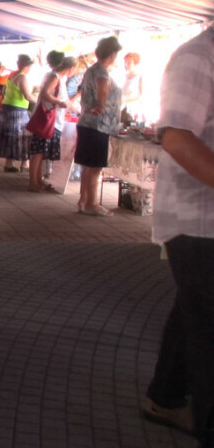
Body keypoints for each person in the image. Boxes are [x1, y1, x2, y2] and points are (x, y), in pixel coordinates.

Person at [143, 24, 214, 447]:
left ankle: (165, 397)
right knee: (209, 324)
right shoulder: (198, 56)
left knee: (195, 309)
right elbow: (176, 137)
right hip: (197, 219)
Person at [75, 36, 123, 216]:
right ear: (112, 54)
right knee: (95, 167)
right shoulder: (102, 72)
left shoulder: (91, 70)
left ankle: (84, 200)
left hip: (87, 123)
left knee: (88, 165)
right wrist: (101, 105)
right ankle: (92, 204)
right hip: (99, 124)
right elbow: (103, 88)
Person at [28, 51, 70, 192]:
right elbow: (45, 93)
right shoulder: (54, 76)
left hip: (51, 119)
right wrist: (59, 102)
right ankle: (33, 181)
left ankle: (37, 180)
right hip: (47, 120)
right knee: (38, 152)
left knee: (40, 152)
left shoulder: (53, 76)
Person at [0, 54, 35, 172]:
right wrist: (40, 100)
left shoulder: (12, 74)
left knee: (9, 136)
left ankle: (9, 163)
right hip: (18, 110)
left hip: (7, 108)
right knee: (23, 136)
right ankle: (25, 164)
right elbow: (28, 96)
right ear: (27, 66)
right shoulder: (22, 77)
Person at [122, 52, 144, 122]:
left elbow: (140, 96)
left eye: (129, 62)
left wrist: (126, 101)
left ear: (135, 63)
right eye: (125, 62)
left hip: (133, 111)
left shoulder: (140, 77)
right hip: (122, 110)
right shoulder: (123, 77)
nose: (126, 65)